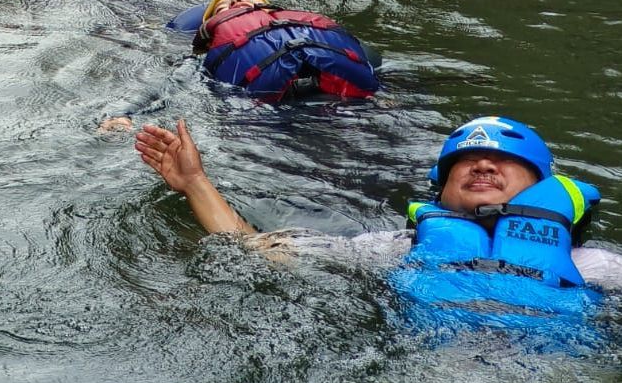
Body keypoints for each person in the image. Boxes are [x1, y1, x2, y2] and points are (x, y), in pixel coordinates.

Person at [134, 115, 622, 343]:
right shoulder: (392, 250)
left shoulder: (591, 265)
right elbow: (252, 249)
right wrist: (195, 183)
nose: (483, 167)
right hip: (432, 380)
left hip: (555, 377)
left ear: (542, 187)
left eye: (503, 162)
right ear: (442, 191)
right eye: (466, 163)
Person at [166, 0, 381, 102]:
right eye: (225, 7)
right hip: (268, 109)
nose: (236, 1)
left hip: (341, 95)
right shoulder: (203, 57)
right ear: (212, 34)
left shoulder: (308, 25)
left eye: (248, 0)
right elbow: (172, 85)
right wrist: (132, 111)